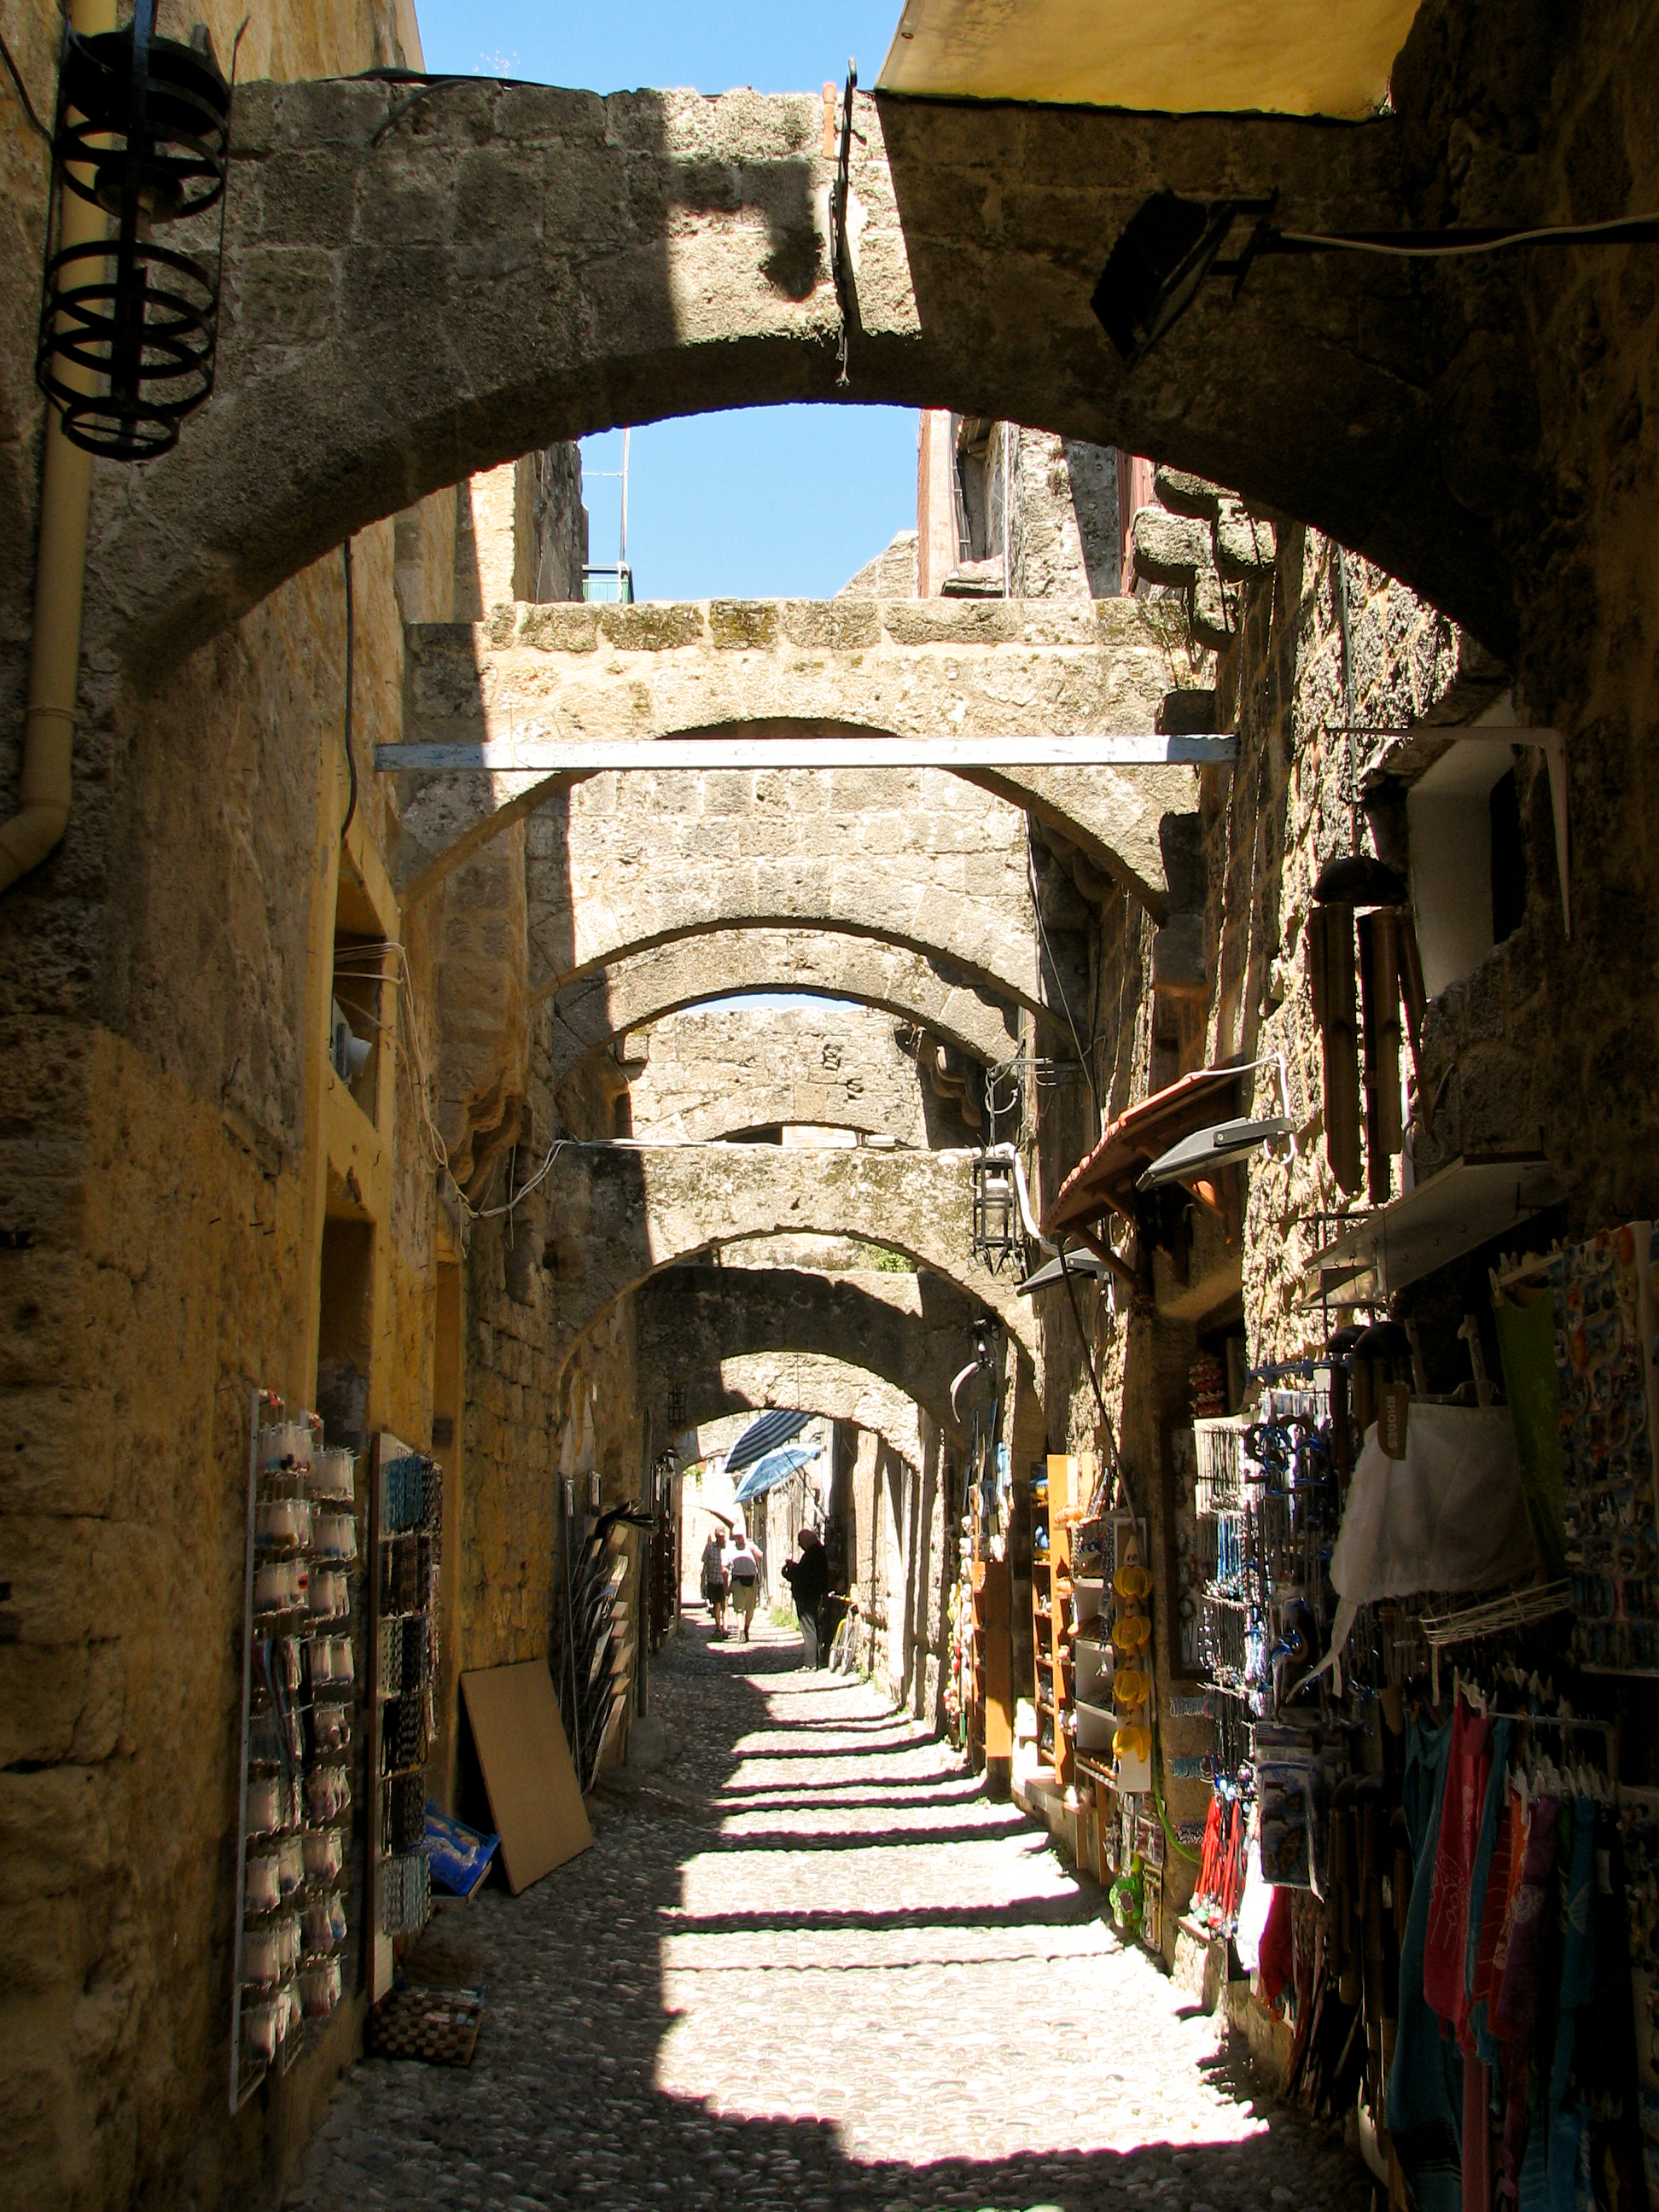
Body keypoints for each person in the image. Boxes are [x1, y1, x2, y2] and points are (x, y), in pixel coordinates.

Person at [780, 1525, 830, 1668]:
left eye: (800, 1542)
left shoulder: (813, 1555)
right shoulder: (816, 1553)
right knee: (812, 1626)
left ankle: (810, 1662)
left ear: (807, 1541)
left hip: (807, 1596)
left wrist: (790, 1570)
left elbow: (804, 1575)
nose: (799, 1545)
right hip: (811, 1595)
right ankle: (815, 1659)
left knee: (808, 1628)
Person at [722, 1525, 761, 1641]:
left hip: (752, 1580)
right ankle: (741, 1633)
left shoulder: (750, 1546)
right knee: (739, 1608)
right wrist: (726, 1584)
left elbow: (760, 1557)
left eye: (739, 1537)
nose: (738, 1539)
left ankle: (746, 1628)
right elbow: (725, 1567)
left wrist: (753, 1549)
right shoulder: (731, 1549)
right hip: (737, 1580)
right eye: (736, 1537)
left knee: (750, 1608)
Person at [699, 1527, 729, 1638]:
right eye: (719, 1536)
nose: (721, 1538)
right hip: (713, 1579)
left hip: (724, 1580)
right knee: (717, 1604)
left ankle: (725, 1629)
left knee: (724, 1604)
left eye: (723, 1536)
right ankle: (718, 1628)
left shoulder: (727, 1547)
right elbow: (705, 1565)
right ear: (716, 1536)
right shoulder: (710, 1547)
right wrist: (703, 1580)